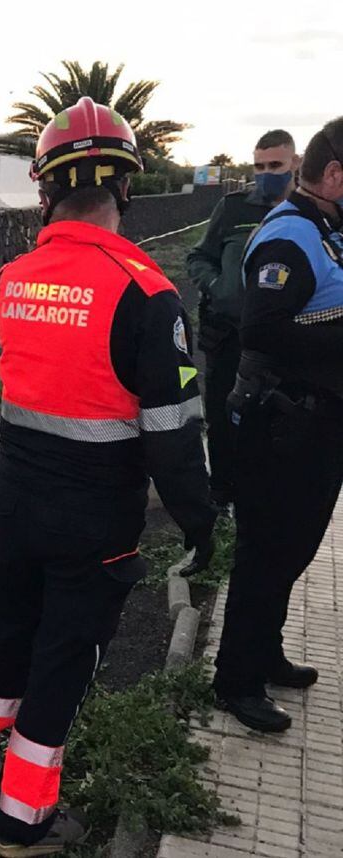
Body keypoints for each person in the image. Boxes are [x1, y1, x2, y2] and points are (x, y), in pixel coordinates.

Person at [0, 97, 217, 857]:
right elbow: (171, 435)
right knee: (62, 664)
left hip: (12, 505)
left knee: (5, 630)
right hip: (92, 523)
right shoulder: (148, 294)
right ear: (126, 188)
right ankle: (23, 823)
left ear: (45, 190)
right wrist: (202, 524)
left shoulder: (15, 278)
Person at [212, 118, 343, 733]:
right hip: (282, 425)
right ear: (335, 174)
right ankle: (235, 681)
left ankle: (264, 652)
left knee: (292, 549)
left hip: (313, 426)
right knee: (266, 553)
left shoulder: (324, 230)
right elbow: (262, 329)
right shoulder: (291, 235)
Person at [186, 130, 299, 508]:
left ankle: (260, 496)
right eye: (260, 166)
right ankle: (220, 493)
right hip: (226, 336)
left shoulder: (306, 213)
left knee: (272, 417)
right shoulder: (234, 208)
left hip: (279, 341)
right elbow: (198, 257)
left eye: (276, 165)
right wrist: (218, 286)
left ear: (295, 164)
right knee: (220, 414)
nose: (267, 173)